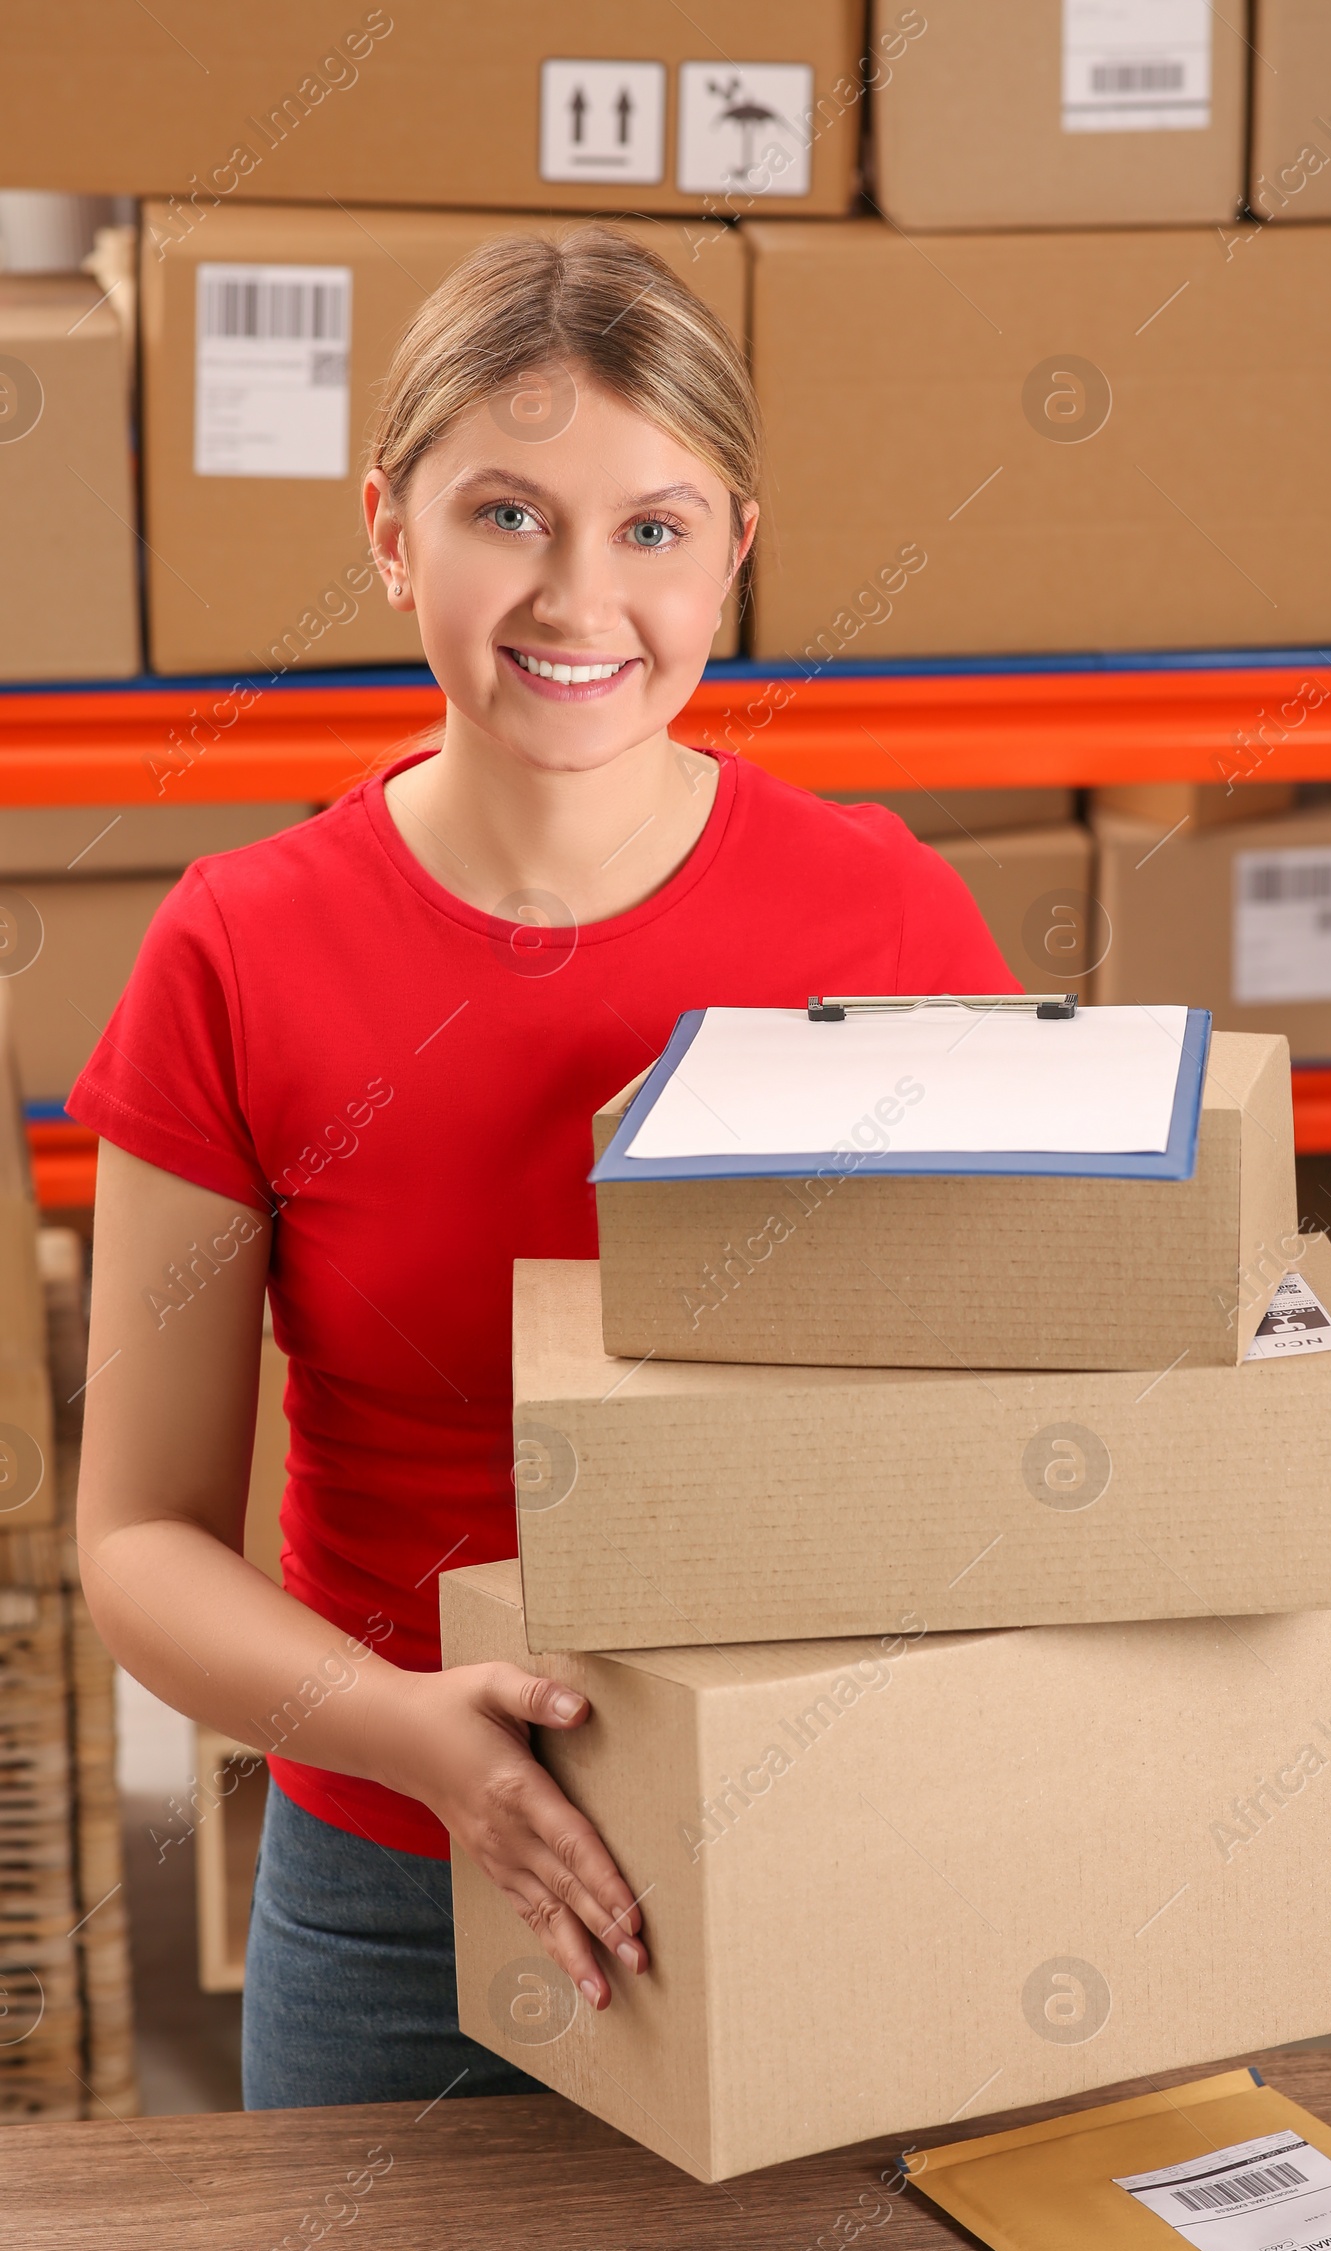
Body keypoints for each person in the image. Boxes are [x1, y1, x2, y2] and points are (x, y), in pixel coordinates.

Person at [71, 226, 1016, 2108]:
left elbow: (1080, 1416)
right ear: (390, 528)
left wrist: (1313, 1698)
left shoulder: (888, 915)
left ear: (736, 550)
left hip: (840, 1846)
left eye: (654, 530)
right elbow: (138, 1541)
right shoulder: (242, 951)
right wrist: (425, 1742)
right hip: (406, 1898)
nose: (582, 599)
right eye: (510, 514)